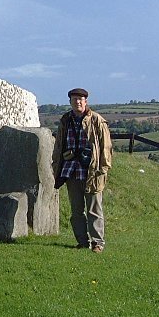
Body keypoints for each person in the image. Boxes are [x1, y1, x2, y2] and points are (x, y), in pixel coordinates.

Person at [51, 88, 113, 253]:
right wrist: (55, 164)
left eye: (80, 99)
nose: (77, 102)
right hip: (71, 170)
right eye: (74, 99)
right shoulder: (65, 120)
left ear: (86, 101)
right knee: (76, 210)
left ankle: (98, 243)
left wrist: (103, 168)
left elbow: (106, 147)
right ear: (70, 102)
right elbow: (58, 145)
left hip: (92, 171)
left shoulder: (97, 121)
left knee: (94, 209)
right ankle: (82, 242)